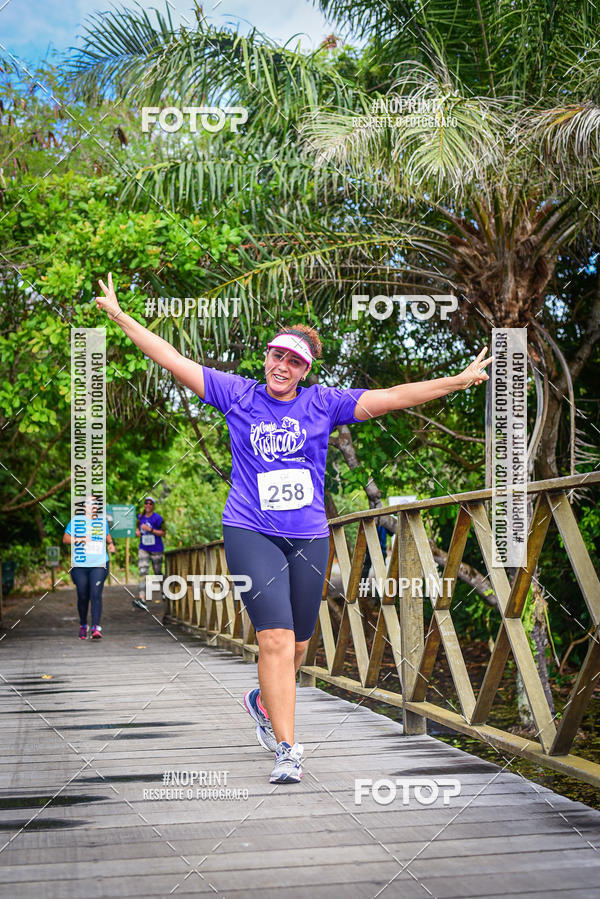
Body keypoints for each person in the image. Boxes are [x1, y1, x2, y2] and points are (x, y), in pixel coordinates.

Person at [95, 272, 492, 783]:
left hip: (308, 536)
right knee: (276, 640)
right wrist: (122, 317)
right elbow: (173, 360)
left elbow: (394, 396)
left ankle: (262, 699)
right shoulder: (236, 394)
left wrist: (456, 381)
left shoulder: (324, 404)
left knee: (301, 645)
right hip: (249, 529)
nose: (282, 366)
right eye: (276, 356)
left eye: (294, 361)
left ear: (306, 370)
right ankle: (287, 749)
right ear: (266, 358)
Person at [63, 495, 116, 639]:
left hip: (99, 564)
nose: (91, 506)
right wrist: (79, 539)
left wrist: (111, 544)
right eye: (88, 503)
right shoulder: (76, 521)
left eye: (94, 503)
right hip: (80, 565)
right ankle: (83, 624)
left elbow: (107, 535)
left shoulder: (101, 521)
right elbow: (65, 538)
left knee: (95, 594)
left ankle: (95, 627)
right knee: (82, 596)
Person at [133, 496, 166, 610]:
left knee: (157, 572)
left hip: (156, 548)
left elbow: (163, 533)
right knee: (143, 572)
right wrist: (137, 531)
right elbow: (137, 528)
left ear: (153, 506)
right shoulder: (140, 517)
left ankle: (164, 591)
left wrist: (150, 530)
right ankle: (142, 599)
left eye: (150, 503)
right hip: (144, 548)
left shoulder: (158, 518)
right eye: (146, 503)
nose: (148, 505)